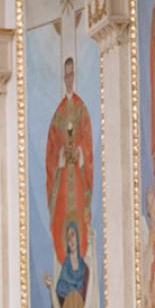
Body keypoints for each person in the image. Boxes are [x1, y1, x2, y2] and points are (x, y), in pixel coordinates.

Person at [46, 58, 94, 272]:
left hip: (79, 178)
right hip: (64, 179)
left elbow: (88, 143)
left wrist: (80, 153)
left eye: (71, 74)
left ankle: (80, 267)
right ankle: (65, 267)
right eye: (66, 75)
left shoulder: (82, 109)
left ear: (75, 75)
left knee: (81, 220)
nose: (69, 79)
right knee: (61, 218)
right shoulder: (58, 114)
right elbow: (51, 150)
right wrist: (61, 157)